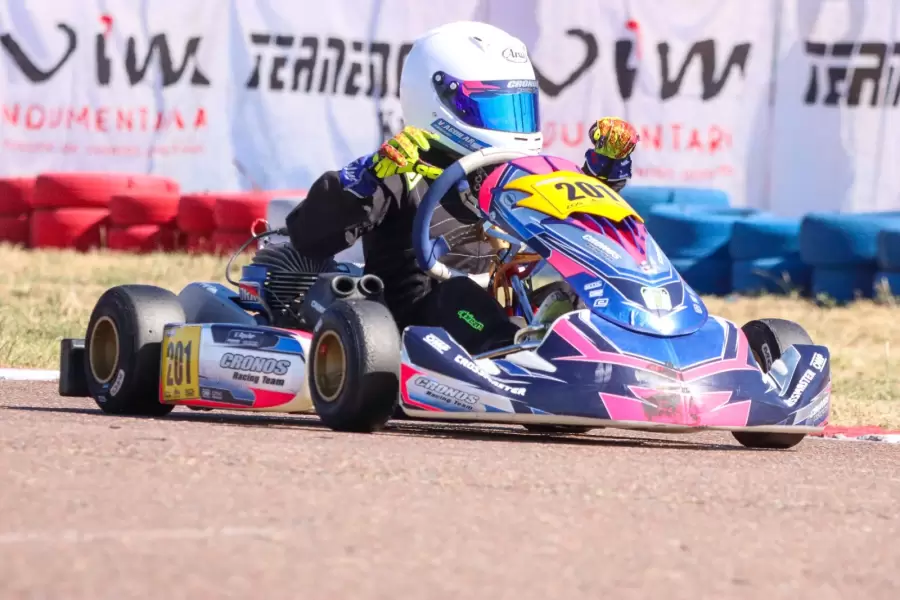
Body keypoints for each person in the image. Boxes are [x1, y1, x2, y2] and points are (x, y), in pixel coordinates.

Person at [286, 20, 638, 354]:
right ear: (442, 100)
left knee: (573, 294)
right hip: (412, 328)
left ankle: (589, 354)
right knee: (459, 295)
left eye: (517, 106)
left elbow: (576, 221)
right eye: (494, 107)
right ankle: (518, 354)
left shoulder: (515, 176)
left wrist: (606, 172)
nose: (511, 122)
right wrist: (367, 179)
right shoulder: (397, 168)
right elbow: (309, 235)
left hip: (498, 310)